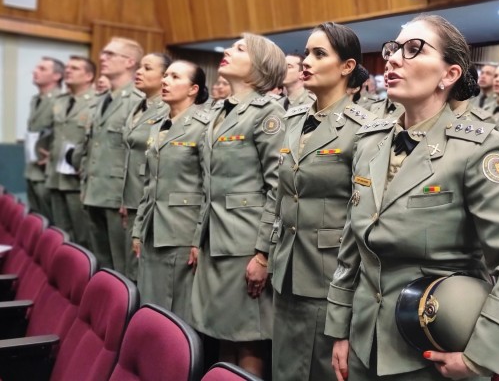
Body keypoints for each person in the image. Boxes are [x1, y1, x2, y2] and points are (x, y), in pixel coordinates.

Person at [326, 14, 499, 381]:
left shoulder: (476, 148)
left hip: (431, 345)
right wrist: (340, 326)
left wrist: (482, 356)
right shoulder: (370, 142)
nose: (394, 59)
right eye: (393, 49)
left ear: (449, 75)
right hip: (365, 338)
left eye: (414, 49)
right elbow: (353, 241)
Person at [263, 23, 374, 381]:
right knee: (284, 367)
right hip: (288, 268)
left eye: (319, 54)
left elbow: (364, 217)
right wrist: (264, 251)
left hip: (329, 273)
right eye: (307, 52)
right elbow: (280, 193)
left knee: (320, 371)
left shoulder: (365, 129)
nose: (307, 61)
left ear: (346, 67)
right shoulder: (294, 120)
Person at [190, 34, 287, 377]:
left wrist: (263, 254)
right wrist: (197, 239)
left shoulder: (267, 114)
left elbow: (279, 189)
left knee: (249, 337)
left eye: (240, 49)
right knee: (223, 332)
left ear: (259, 68)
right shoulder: (219, 112)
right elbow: (209, 184)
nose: (228, 52)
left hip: (245, 243)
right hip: (215, 239)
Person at [132, 61, 209, 323]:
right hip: (153, 227)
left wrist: (199, 239)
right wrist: (138, 229)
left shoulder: (204, 125)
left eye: (175, 77)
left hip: (182, 229)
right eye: (165, 75)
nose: (165, 81)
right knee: (150, 302)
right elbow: (149, 182)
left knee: (177, 309)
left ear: (193, 89)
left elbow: (208, 186)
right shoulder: (159, 125)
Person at [77, 37, 144, 270]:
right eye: (103, 53)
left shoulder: (137, 100)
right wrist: (85, 186)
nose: (102, 58)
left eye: (109, 54)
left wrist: (130, 199)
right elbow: (91, 148)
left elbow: (138, 155)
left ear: (129, 62)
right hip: (95, 192)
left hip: (118, 197)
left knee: (123, 267)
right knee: (101, 265)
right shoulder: (102, 99)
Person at [120, 53, 171, 281]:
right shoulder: (139, 107)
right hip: (130, 195)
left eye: (147, 68)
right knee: (125, 266)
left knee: (138, 270)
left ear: (164, 77)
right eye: (139, 66)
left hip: (148, 197)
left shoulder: (167, 109)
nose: (139, 72)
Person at [47, 56, 95, 247]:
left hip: (77, 179)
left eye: (74, 68)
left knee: (83, 236)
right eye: (67, 67)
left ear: (89, 76)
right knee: (60, 233)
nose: (68, 71)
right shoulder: (60, 101)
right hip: (56, 176)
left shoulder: (95, 102)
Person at [25, 56, 64, 221]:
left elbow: (66, 134)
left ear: (56, 76)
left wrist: (55, 156)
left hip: (47, 172)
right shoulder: (36, 100)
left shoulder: (61, 100)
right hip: (32, 168)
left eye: (42, 69)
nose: (35, 71)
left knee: (51, 221)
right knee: (36, 219)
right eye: (36, 68)